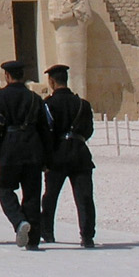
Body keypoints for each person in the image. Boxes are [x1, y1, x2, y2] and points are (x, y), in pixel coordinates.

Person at [0, 59, 52, 249]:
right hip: (33, 148)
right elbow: (45, 130)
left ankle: (19, 220)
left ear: (7, 76)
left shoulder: (0, 97)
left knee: (4, 189)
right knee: (32, 195)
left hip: (10, 147)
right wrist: (48, 159)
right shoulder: (34, 98)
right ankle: (33, 240)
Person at [39, 63, 96, 248]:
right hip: (80, 153)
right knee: (84, 197)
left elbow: (45, 132)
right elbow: (88, 131)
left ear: (52, 81)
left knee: (50, 196)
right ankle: (87, 236)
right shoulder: (83, 104)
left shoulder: (48, 104)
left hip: (57, 154)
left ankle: (47, 232)